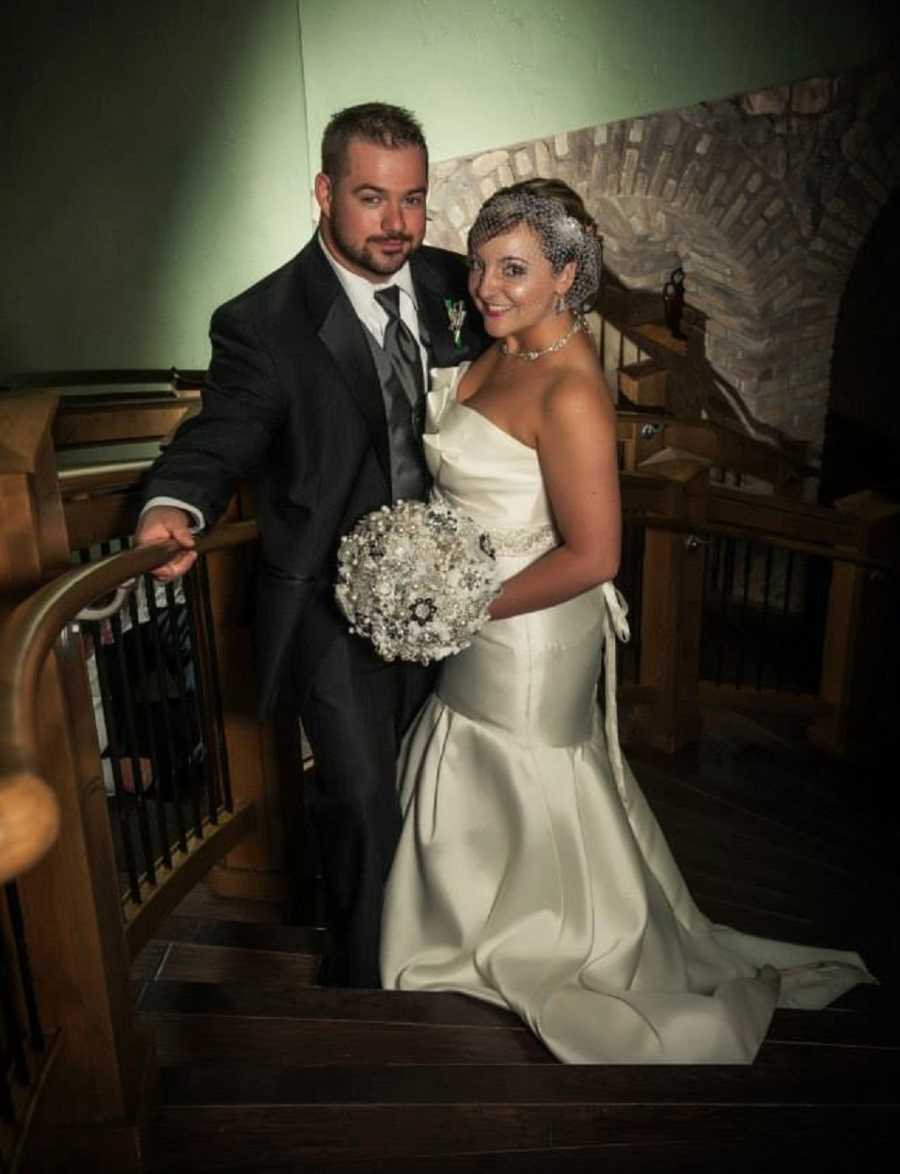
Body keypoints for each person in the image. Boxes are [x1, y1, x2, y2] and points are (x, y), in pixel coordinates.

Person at [379, 178, 874, 1063]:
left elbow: (595, 556)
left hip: (528, 632)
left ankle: (552, 936)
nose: (487, 286)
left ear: (567, 275)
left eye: (516, 268)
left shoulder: (571, 389)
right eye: (485, 264)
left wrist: (462, 602)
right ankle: (468, 922)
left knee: (530, 776)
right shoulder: (503, 348)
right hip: (480, 616)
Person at [136, 102, 486, 988]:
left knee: (450, 790)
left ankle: (455, 943)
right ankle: (368, 973)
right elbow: (222, 432)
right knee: (364, 796)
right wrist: (173, 503)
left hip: (467, 597)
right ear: (325, 193)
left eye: (413, 200)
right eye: (372, 199)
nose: (397, 224)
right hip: (333, 606)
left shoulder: (460, 288)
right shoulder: (263, 320)